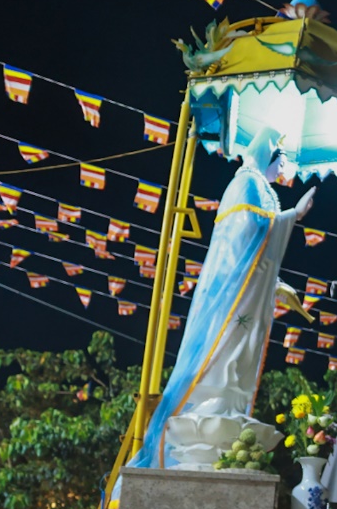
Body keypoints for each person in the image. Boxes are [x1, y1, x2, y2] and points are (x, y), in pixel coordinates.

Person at [128, 127, 315, 472]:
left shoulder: (261, 187)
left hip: (249, 294)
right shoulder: (247, 183)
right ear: (268, 156)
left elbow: (255, 255)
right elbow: (246, 234)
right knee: (223, 356)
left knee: (239, 361)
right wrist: (294, 216)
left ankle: (225, 408)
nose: (283, 171)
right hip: (232, 299)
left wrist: (277, 286)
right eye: (282, 161)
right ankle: (208, 408)